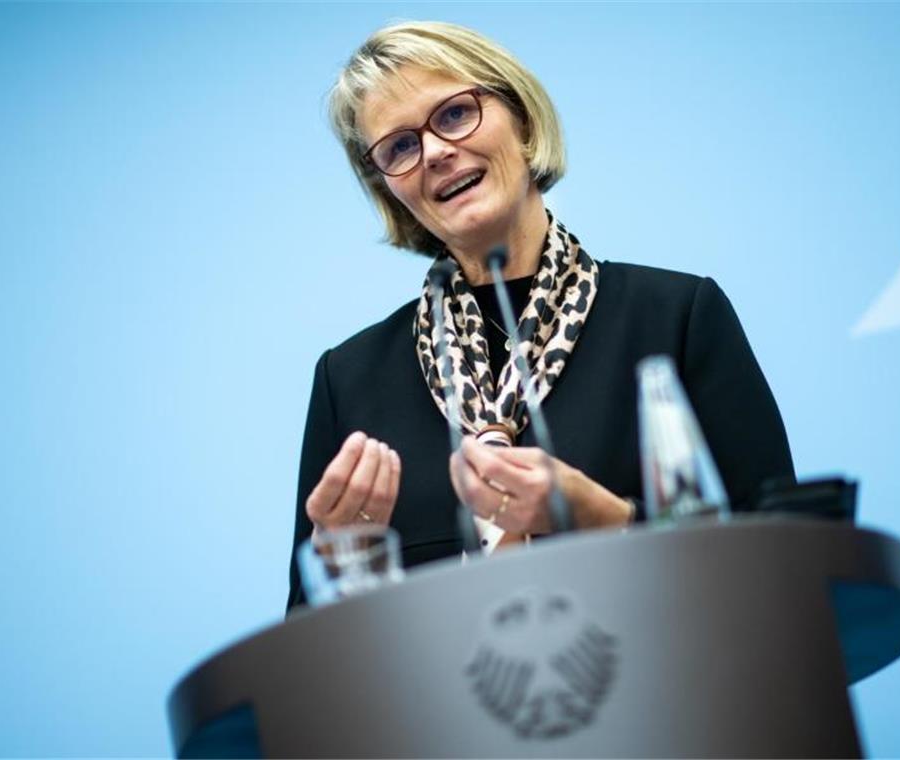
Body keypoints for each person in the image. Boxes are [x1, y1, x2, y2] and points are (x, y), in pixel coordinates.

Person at [286, 21, 794, 612]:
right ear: (388, 189)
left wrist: (604, 520)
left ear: (521, 119)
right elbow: (311, 652)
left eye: (453, 114)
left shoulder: (676, 318)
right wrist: (339, 558)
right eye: (399, 147)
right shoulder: (349, 381)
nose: (435, 152)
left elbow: (783, 572)